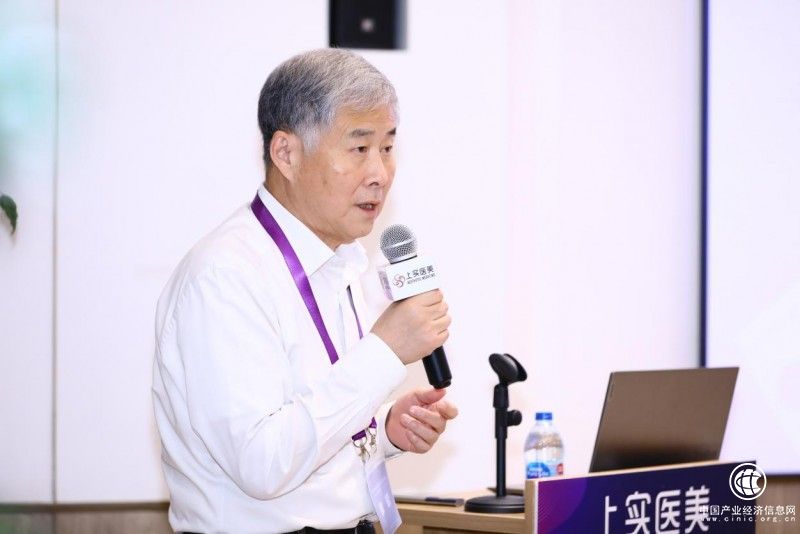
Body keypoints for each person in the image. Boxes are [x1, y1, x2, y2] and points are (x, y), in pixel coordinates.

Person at [152, 49, 457, 534]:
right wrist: (384, 351)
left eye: (387, 147)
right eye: (359, 148)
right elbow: (262, 463)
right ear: (286, 154)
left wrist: (384, 430)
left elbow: (309, 426)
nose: (380, 173)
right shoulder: (225, 276)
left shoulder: (343, 261)